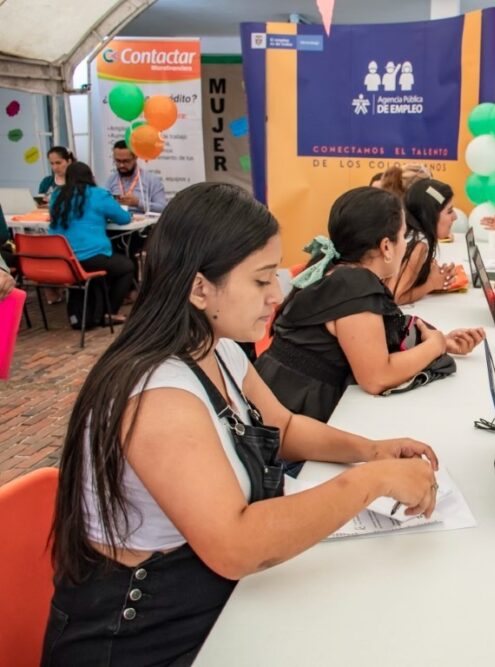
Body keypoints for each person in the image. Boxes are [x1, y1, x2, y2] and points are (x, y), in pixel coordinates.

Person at [44, 182, 440, 665]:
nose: (277, 293)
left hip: (210, 603)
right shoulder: (158, 397)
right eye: (260, 280)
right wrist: (372, 480)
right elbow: (235, 545)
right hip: (144, 638)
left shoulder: (220, 348)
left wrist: (372, 449)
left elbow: (284, 429)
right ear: (198, 287)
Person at [255, 186, 483, 422]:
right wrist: (434, 346)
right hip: (287, 418)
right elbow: (377, 377)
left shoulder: (340, 272)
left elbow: (370, 343)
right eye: (403, 236)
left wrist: (442, 341)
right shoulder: (355, 285)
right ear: (386, 246)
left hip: (279, 401)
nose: (405, 244)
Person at [49, 162, 133, 326]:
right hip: (90, 256)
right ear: (90, 177)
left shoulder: (56, 195)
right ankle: (110, 312)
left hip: (64, 259)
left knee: (110, 265)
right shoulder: (98, 194)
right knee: (126, 266)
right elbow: (123, 218)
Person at [388, 178, 458, 304]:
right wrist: (431, 284)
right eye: (449, 211)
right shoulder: (419, 244)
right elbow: (395, 298)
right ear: (430, 215)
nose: (455, 217)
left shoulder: (413, 234)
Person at [105, 140, 167, 213]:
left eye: (126, 161)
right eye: (118, 161)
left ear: (135, 157)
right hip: (116, 223)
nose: (121, 165)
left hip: (143, 223)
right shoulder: (111, 180)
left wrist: (138, 203)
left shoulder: (151, 180)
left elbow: (162, 208)